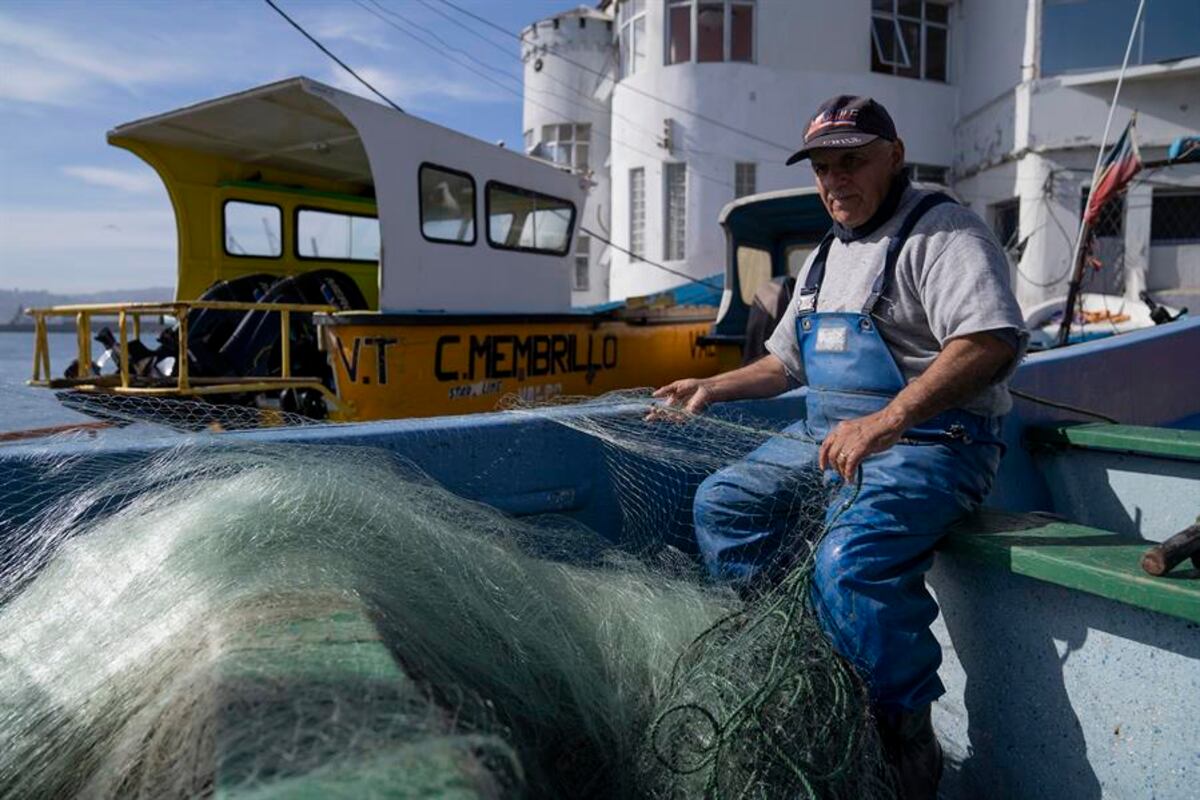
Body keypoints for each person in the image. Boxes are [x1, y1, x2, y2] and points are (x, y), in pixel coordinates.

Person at [654, 95, 1027, 798]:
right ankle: (802, 654)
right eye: (824, 167)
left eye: (851, 161)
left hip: (933, 440)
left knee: (848, 563)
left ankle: (900, 732)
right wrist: (715, 385)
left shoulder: (944, 233)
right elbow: (786, 364)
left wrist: (885, 423)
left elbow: (987, 343)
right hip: (827, 436)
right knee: (725, 503)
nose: (835, 181)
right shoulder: (828, 254)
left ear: (893, 155)